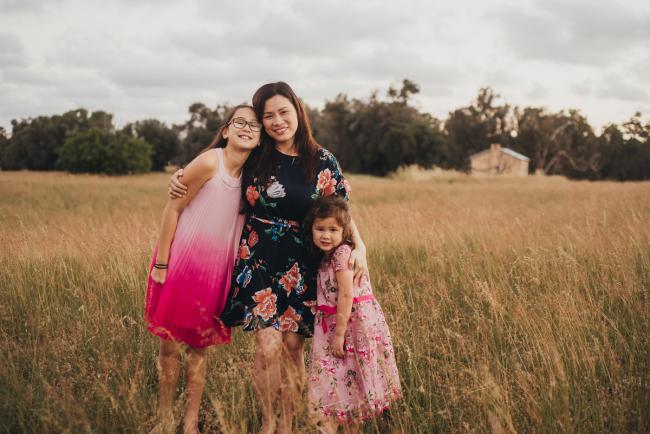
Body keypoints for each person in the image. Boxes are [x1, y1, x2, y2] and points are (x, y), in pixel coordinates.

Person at [168, 82, 369, 434]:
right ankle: (268, 422)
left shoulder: (322, 160)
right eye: (268, 116)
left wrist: (361, 247)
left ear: (297, 112)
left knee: (293, 347)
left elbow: (341, 214)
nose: (277, 121)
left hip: (304, 262)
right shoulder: (256, 154)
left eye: (283, 112)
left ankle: (288, 425)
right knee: (267, 345)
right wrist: (180, 177)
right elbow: (217, 160)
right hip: (259, 256)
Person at [145, 105, 261, 434]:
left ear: (260, 140)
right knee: (168, 345)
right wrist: (162, 263)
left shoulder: (254, 177)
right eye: (239, 122)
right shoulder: (212, 161)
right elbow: (173, 208)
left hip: (215, 272)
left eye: (254, 126)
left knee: (200, 348)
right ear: (225, 130)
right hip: (179, 261)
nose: (247, 128)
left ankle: (190, 423)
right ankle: (165, 420)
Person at [306, 196, 401, 434]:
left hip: (348, 325)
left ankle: (344, 426)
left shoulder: (342, 254)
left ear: (345, 231)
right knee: (339, 379)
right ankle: (334, 424)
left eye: (333, 230)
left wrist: (339, 335)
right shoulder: (327, 256)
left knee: (348, 378)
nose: (325, 235)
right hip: (336, 323)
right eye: (320, 229)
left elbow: (346, 295)